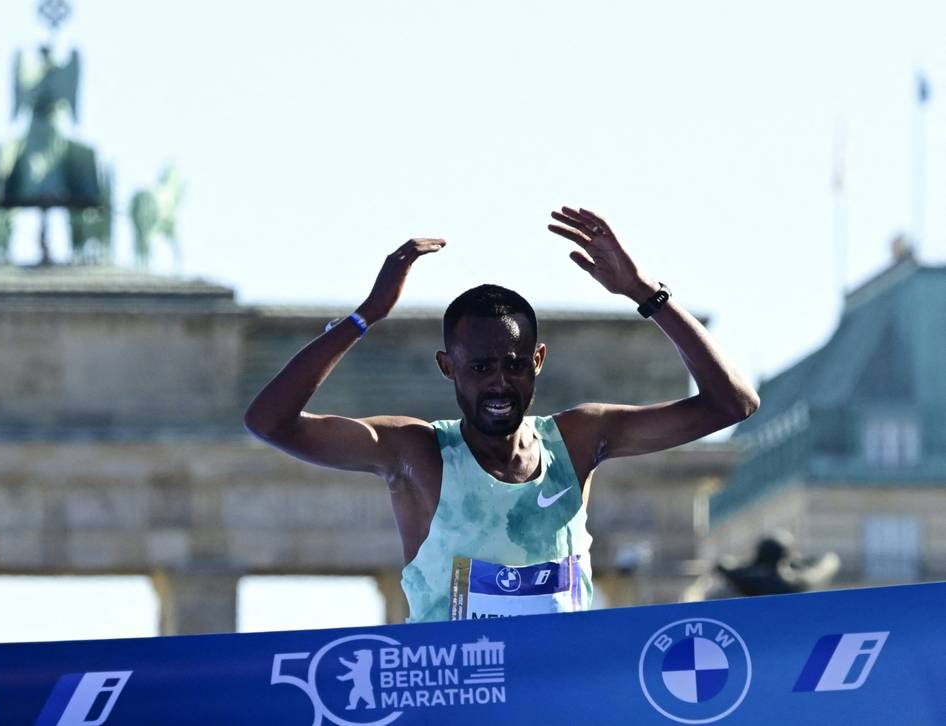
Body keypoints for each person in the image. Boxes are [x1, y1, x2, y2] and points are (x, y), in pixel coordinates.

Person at [243, 207, 759, 622]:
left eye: (514, 365)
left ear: (538, 362)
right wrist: (365, 316)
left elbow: (732, 403)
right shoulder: (417, 453)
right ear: (449, 367)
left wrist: (646, 294)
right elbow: (270, 422)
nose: (498, 382)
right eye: (481, 366)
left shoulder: (578, 441)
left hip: (557, 704)